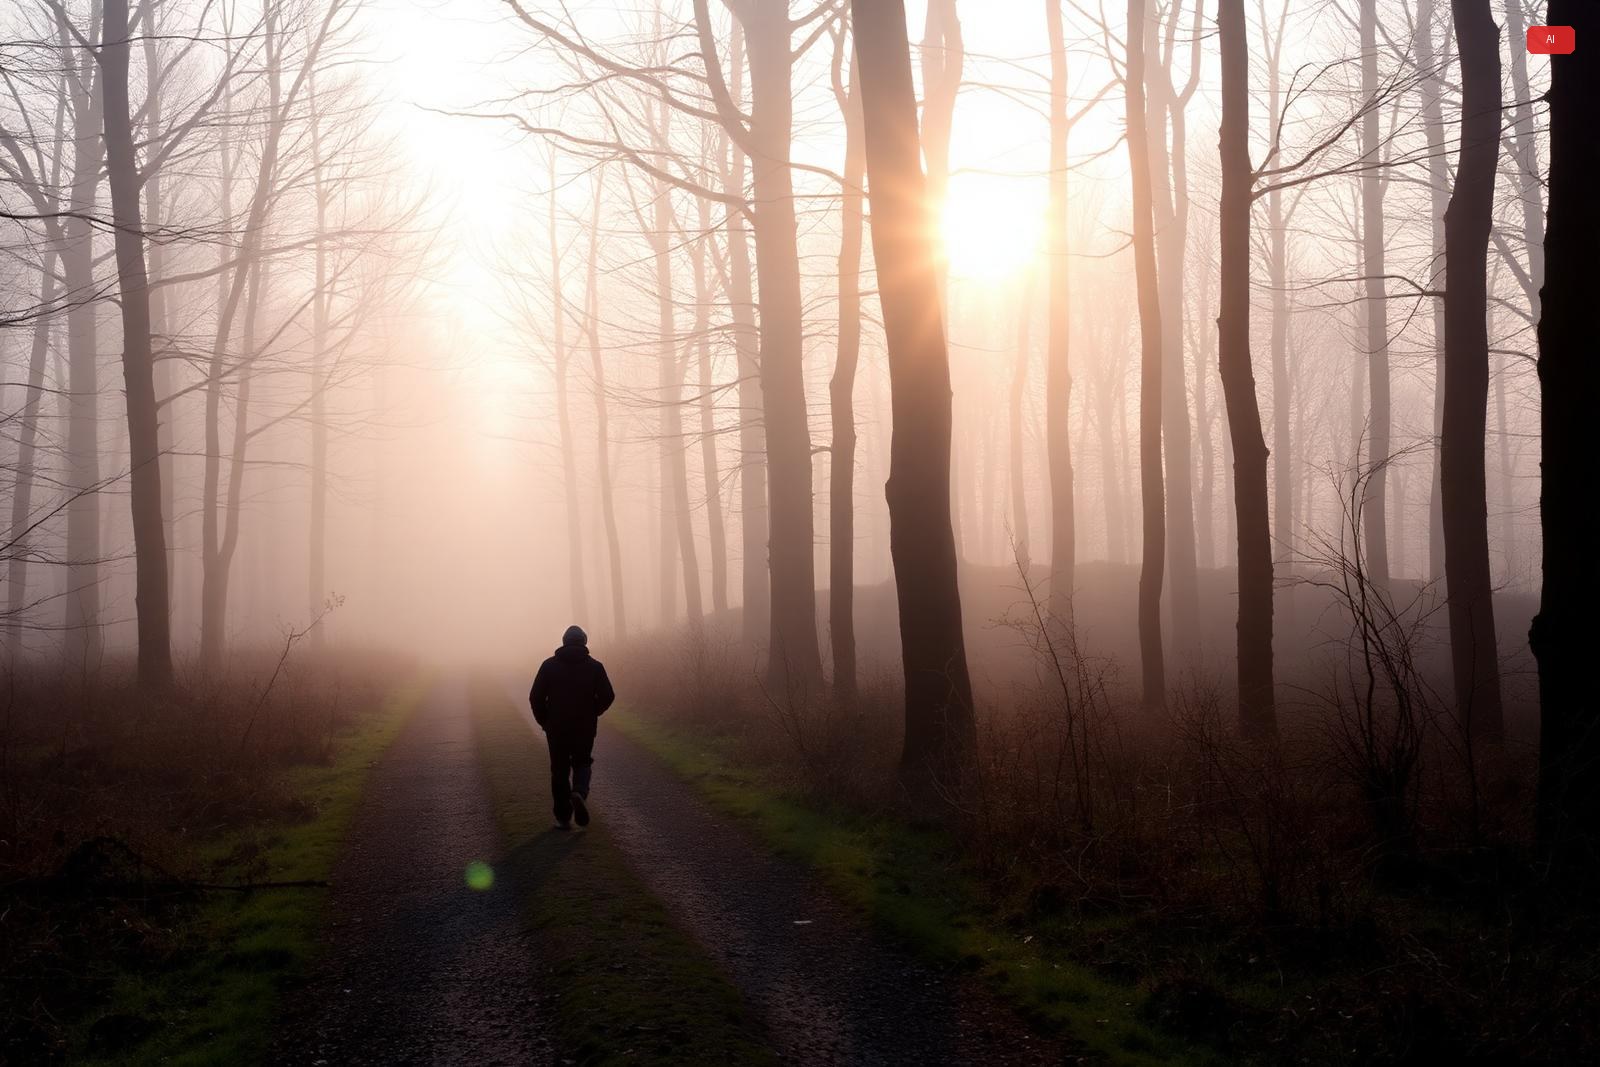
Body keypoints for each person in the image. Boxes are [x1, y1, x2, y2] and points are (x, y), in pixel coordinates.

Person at [529, 625, 615, 829]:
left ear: (563, 642)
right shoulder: (595, 667)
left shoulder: (548, 666)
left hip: (556, 728)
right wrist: (594, 711)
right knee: (582, 762)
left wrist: (544, 721)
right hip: (584, 727)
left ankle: (563, 817)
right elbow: (608, 696)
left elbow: (535, 697)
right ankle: (579, 792)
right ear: (584, 642)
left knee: (559, 769)